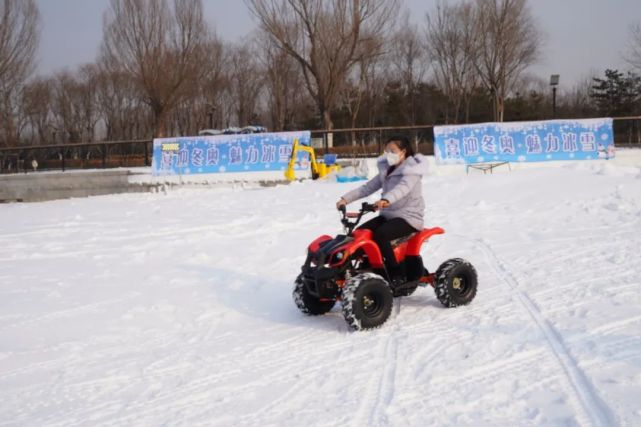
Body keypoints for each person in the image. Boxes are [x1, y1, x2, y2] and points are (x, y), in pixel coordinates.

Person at [336, 136, 426, 283]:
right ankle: (358, 268)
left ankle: (395, 273)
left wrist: (385, 200)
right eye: (386, 151)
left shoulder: (412, 171)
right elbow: (368, 187)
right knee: (359, 234)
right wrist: (346, 199)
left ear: (403, 151)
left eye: (392, 150)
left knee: (381, 235)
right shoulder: (387, 170)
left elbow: (402, 189)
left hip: (409, 217)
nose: (388, 154)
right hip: (389, 215)